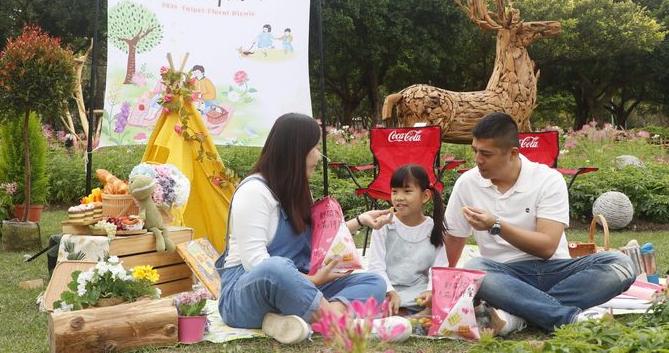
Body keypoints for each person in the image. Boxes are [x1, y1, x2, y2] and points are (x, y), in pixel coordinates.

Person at [215, 113, 410, 344]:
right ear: (295, 152)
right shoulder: (254, 192)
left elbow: (319, 241)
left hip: (299, 287)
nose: (319, 155)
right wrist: (314, 280)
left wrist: (360, 220)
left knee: (373, 282)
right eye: (315, 147)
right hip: (246, 294)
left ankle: (287, 322)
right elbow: (256, 263)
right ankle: (342, 326)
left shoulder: (298, 189)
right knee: (275, 268)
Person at [444, 112, 636, 335]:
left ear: (513, 153)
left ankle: (515, 316)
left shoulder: (547, 180)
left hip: (556, 269)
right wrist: (443, 287)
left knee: (621, 263)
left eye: (486, 154)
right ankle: (569, 318)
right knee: (475, 269)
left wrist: (495, 224)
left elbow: (546, 248)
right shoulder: (467, 183)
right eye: (474, 151)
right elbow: (454, 237)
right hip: (503, 275)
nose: (477, 159)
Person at [368, 164, 448, 315]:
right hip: (386, 287)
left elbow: (440, 267)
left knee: (447, 296)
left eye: (407, 191)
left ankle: (404, 312)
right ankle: (406, 312)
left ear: (425, 196)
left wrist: (431, 291)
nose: (399, 197)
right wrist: (390, 292)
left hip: (418, 290)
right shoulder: (383, 224)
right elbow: (375, 266)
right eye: (394, 191)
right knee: (365, 293)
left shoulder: (433, 227)